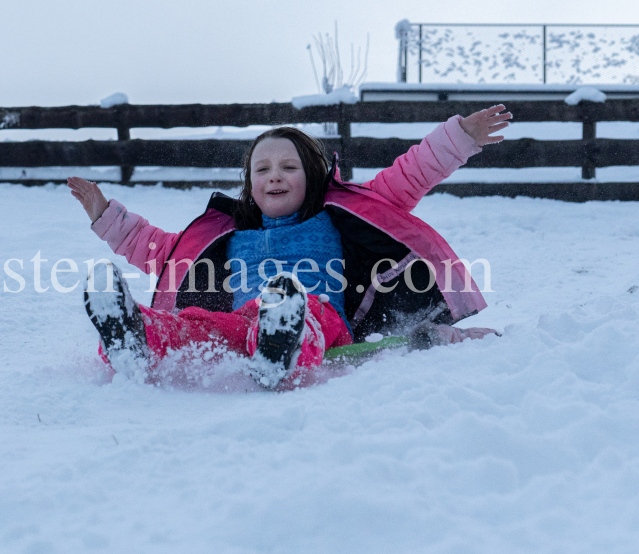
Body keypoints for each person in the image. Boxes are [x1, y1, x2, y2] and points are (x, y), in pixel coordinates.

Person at [68, 105, 511, 390]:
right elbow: (157, 250)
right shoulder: (228, 235)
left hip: (321, 317)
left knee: (303, 314)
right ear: (251, 183)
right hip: (247, 323)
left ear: (311, 176)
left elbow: (410, 173)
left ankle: (284, 343)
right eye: (262, 168)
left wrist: (460, 138)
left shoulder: (338, 213)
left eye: (287, 166)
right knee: (198, 324)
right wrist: (106, 214)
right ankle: (134, 335)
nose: (274, 176)